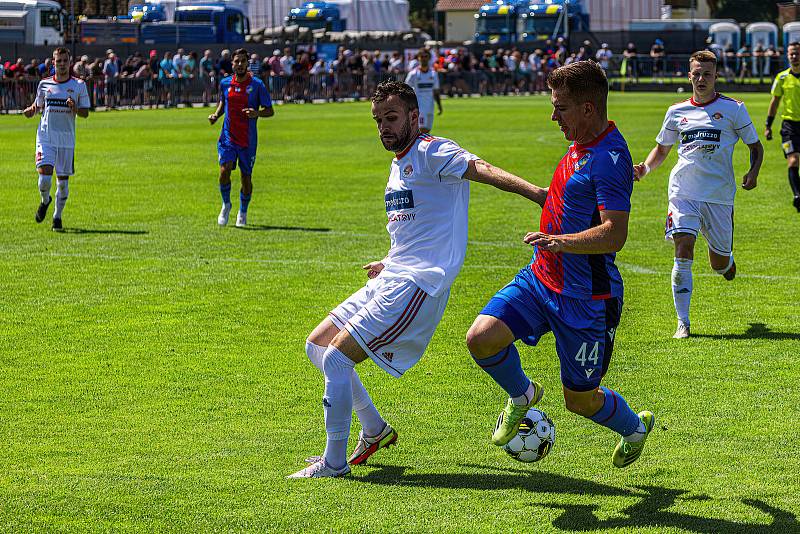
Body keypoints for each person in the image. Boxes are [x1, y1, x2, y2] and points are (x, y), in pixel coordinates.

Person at [288, 81, 547, 478]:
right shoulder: (398, 163)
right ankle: (374, 430)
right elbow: (414, 227)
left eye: (391, 118)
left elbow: (483, 170)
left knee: (338, 359)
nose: (383, 128)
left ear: (414, 117)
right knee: (317, 347)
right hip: (393, 274)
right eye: (378, 121)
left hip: (417, 285)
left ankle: (334, 464)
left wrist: (538, 195)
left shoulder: (432, 151)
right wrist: (388, 260)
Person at [465, 60, 654, 469]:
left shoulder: (608, 157)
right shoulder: (583, 143)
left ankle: (634, 428)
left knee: (580, 401)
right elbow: (569, 200)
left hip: (586, 299)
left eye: (560, 108)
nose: (553, 117)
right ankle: (522, 395)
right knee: (481, 338)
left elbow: (614, 234)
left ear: (588, 108)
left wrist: (558, 241)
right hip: (541, 278)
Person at [634, 51, 762, 338]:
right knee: (683, 248)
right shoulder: (675, 112)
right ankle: (683, 322)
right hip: (683, 191)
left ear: (716, 76)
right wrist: (644, 169)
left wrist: (753, 173)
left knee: (719, 265)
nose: (701, 78)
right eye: (696, 73)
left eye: (707, 73)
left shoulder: (734, 109)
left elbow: (756, 147)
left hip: (719, 195)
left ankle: (726, 261)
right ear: (688, 75)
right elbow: (662, 150)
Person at [23, 47, 90, 231]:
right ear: (53, 62)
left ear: (70, 62)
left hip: (66, 139)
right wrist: (31, 110)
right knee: (44, 180)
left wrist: (75, 108)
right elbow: (38, 105)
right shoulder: (44, 84)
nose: (61, 64)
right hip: (46, 137)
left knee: (63, 184)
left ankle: (57, 217)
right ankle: (45, 200)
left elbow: (85, 113)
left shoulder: (79, 85)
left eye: (65, 61)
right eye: (58, 61)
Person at [208, 48, 274, 228]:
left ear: (247, 63)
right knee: (224, 170)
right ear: (232, 64)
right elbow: (224, 102)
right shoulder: (225, 83)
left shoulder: (257, 85)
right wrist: (215, 115)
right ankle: (226, 204)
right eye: (236, 61)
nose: (239, 64)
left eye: (243, 61)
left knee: (246, 178)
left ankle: (243, 211)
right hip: (228, 137)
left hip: (247, 139)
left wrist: (257, 113)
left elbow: (270, 110)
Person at [765, 41, 800, 211]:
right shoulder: (782, 77)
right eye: (792, 53)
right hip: (789, 127)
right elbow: (775, 101)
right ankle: (797, 195)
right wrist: (768, 125)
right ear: (787, 55)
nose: (794, 56)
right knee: (792, 161)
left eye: (797, 53)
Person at [404, 48, 442, 133]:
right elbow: (405, 90)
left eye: (426, 56)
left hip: (430, 107)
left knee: (427, 131)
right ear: (418, 58)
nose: (424, 58)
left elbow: (436, 91)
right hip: (419, 108)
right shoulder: (413, 74)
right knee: (421, 131)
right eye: (422, 56)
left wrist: (439, 106)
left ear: (429, 58)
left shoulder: (433, 74)